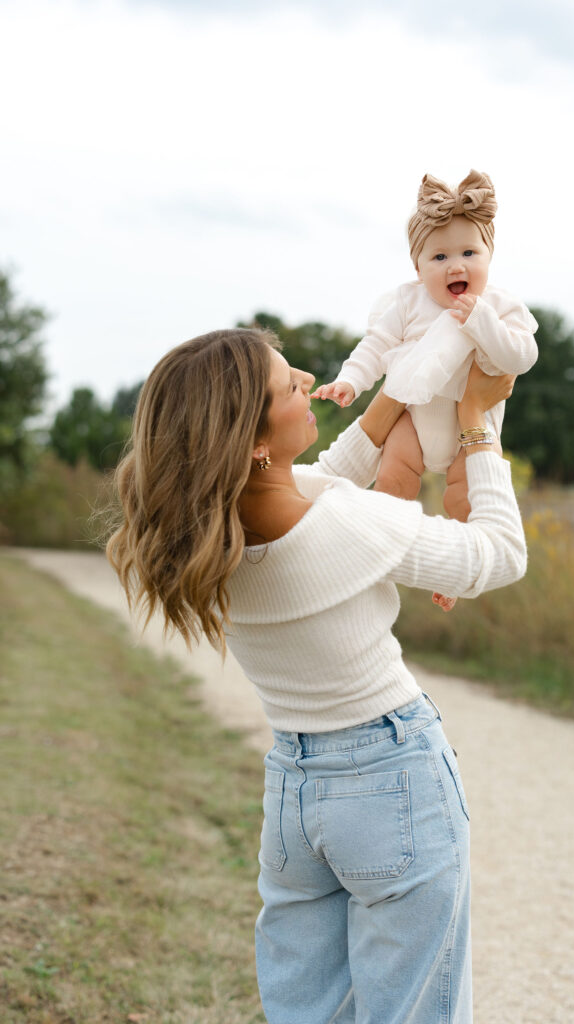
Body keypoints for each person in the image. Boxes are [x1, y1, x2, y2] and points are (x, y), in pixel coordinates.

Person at [106, 326, 526, 1024]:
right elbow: (499, 554)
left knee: (309, 1012)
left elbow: (325, 475)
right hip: (391, 779)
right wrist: (475, 423)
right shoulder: (344, 524)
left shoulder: (212, 534)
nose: (306, 378)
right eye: (285, 384)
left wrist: (395, 397)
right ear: (251, 444)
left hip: (296, 796)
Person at [313, 170, 538, 610]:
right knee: (394, 479)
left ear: (489, 258)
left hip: (465, 433)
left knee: (463, 497)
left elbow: (520, 358)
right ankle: (372, 554)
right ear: (417, 268)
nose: (456, 265)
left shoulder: (499, 306)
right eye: (439, 257)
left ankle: (453, 573)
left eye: (470, 252)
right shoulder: (406, 303)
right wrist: (350, 380)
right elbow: (375, 347)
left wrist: (482, 322)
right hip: (410, 421)